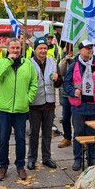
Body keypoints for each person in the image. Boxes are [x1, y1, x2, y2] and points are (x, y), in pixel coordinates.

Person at [0, 38, 38, 181]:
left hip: (20, 109)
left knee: (20, 139)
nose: (15, 51)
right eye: (12, 48)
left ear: (21, 49)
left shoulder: (28, 64)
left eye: (17, 48)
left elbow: (34, 84)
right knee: (3, 140)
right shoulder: (2, 62)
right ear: (8, 49)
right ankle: (3, 167)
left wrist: (28, 99)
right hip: (4, 110)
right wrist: (8, 61)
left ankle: (20, 166)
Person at [64, 40, 95, 171]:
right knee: (78, 134)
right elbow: (66, 84)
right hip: (78, 106)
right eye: (87, 48)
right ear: (80, 50)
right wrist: (73, 91)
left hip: (93, 107)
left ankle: (92, 159)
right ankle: (77, 159)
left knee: (92, 135)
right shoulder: (73, 66)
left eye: (91, 48)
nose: (90, 50)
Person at [28, 37, 62, 170]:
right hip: (35, 104)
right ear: (35, 49)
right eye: (40, 48)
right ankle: (32, 158)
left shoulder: (53, 63)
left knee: (47, 133)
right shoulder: (29, 63)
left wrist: (57, 78)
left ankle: (46, 158)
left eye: (45, 48)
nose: (43, 50)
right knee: (34, 133)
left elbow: (60, 83)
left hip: (50, 104)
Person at [57, 44, 75, 148]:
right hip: (65, 94)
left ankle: (78, 138)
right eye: (69, 51)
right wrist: (65, 61)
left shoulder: (78, 60)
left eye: (72, 51)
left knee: (77, 119)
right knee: (65, 118)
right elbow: (60, 72)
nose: (70, 53)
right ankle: (67, 137)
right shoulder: (63, 60)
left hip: (76, 94)